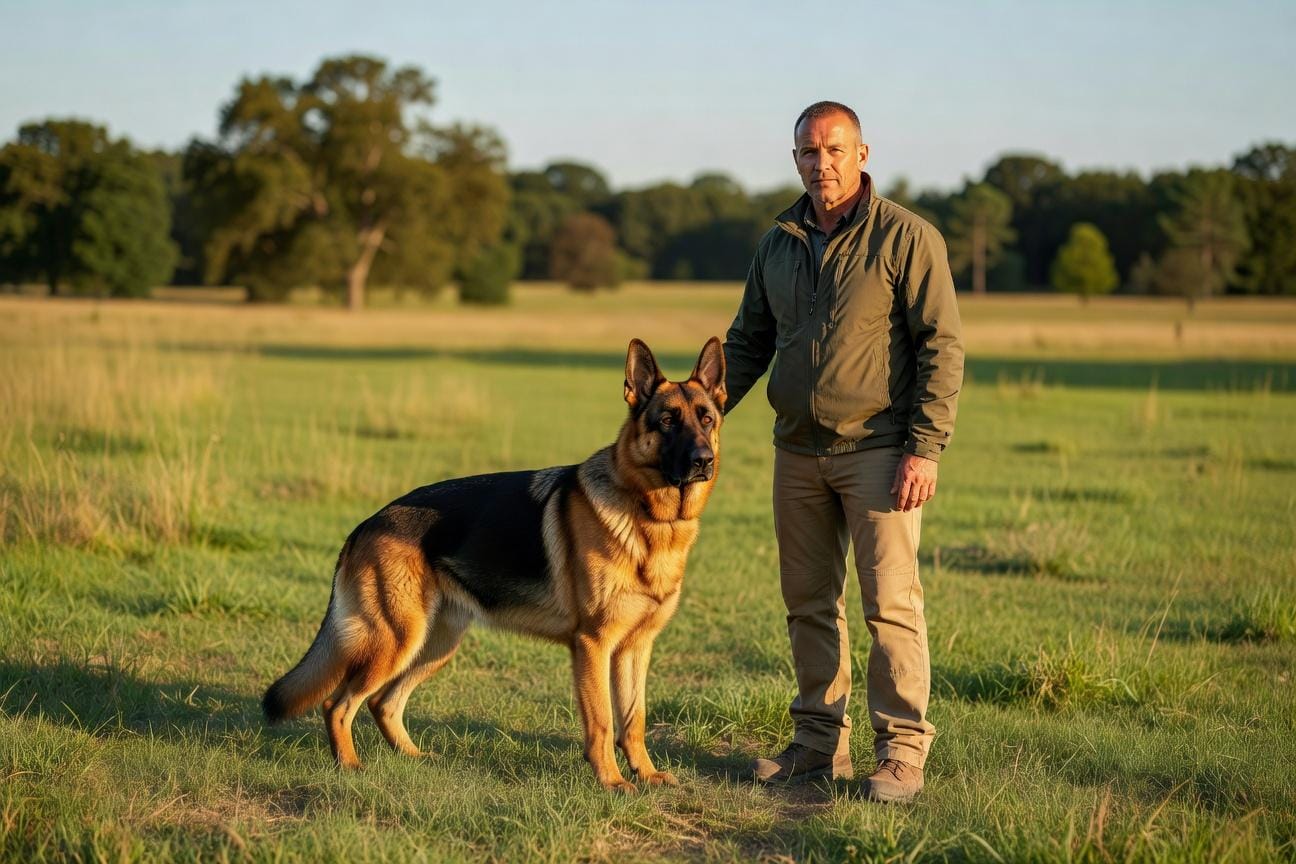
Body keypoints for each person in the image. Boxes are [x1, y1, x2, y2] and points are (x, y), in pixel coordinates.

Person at [722, 100, 963, 802]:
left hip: (880, 450)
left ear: (862, 154)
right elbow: (747, 343)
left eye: (834, 149)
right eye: (808, 151)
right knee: (807, 602)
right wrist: (694, 417)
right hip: (796, 451)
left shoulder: (907, 237)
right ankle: (818, 744)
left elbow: (941, 346)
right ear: (795, 158)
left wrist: (924, 448)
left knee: (890, 603)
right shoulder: (778, 243)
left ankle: (902, 753)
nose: (820, 163)